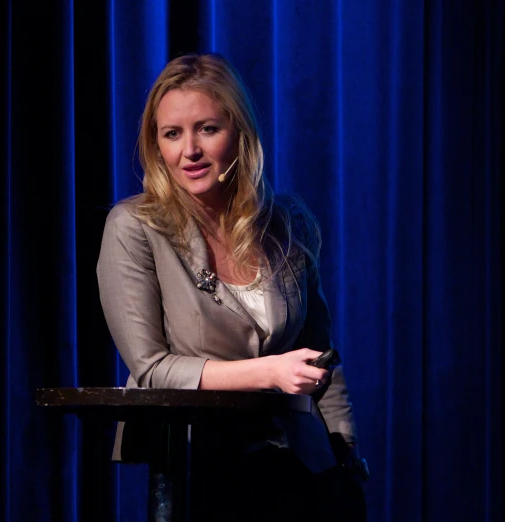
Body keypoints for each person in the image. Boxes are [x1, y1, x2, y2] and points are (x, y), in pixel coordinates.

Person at [97, 53, 366, 521]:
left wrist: (344, 455)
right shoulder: (134, 227)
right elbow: (152, 367)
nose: (189, 151)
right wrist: (269, 373)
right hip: (199, 464)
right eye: (172, 134)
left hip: (301, 467)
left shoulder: (287, 223)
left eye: (207, 128)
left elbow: (320, 355)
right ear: (155, 144)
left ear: (239, 133)